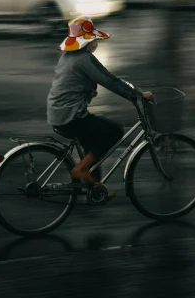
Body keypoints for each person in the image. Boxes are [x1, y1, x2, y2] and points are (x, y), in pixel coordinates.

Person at [47, 17, 154, 185]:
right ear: (86, 41)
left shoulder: (68, 57)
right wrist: (137, 95)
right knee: (114, 132)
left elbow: (70, 82)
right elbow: (109, 80)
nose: (96, 42)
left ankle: (93, 186)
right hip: (70, 117)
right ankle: (80, 170)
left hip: (58, 113)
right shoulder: (85, 59)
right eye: (93, 39)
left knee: (92, 144)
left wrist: (86, 90)